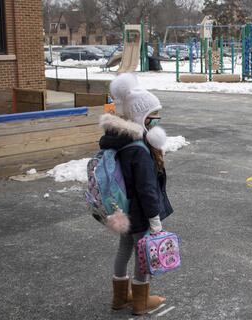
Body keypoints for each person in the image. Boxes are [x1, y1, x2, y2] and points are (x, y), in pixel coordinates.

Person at [101, 74, 173, 315]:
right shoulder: (139, 150)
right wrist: (155, 221)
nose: (157, 122)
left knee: (125, 249)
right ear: (141, 117)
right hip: (140, 211)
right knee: (143, 252)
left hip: (123, 208)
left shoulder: (121, 141)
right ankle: (141, 301)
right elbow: (147, 190)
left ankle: (119, 298)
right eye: (153, 118)